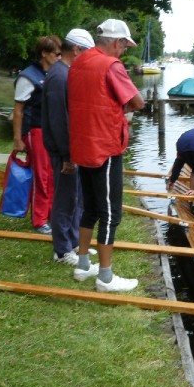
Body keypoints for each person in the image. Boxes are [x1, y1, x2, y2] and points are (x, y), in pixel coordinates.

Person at [68, 19, 145, 292]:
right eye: (125, 45)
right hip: (105, 147)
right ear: (117, 42)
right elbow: (138, 102)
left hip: (82, 146)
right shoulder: (111, 65)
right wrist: (112, 110)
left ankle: (82, 264)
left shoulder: (78, 62)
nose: (124, 52)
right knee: (111, 213)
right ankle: (106, 277)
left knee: (89, 207)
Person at [42, 28, 95, 266]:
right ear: (76, 49)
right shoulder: (59, 76)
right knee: (65, 199)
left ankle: (73, 242)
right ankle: (62, 250)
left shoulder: (66, 73)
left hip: (73, 150)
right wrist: (67, 155)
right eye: (87, 52)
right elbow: (59, 120)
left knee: (76, 198)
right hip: (66, 152)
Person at [12, 35, 61, 234]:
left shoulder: (54, 73)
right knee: (42, 176)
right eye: (56, 54)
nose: (59, 57)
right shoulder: (28, 76)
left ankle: (50, 214)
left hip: (51, 131)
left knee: (51, 174)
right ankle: (39, 220)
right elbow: (18, 110)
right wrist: (17, 138)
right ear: (44, 54)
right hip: (35, 130)